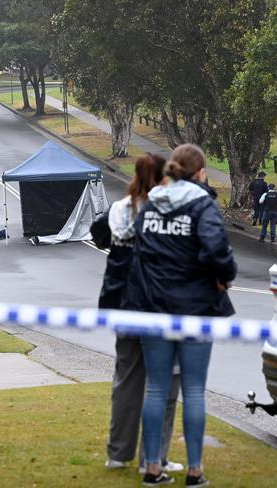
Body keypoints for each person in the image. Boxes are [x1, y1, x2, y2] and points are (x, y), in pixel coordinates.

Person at [125, 143, 237, 487]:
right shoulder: (202, 205)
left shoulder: (152, 202)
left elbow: (138, 248)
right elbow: (216, 249)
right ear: (200, 172)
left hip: (155, 306)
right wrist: (225, 274)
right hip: (194, 307)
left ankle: (153, 467)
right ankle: (195, 470)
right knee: (194, 391)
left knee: (156, 389)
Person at [99, 154, 183, 475]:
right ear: (164, 177)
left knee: (126, 382)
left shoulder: (120, 210)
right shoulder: (167, 213)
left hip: (125, 306)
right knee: (162, 386)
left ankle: (118, 453)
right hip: (158, 307)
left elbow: (105, 238)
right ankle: (155, 458)